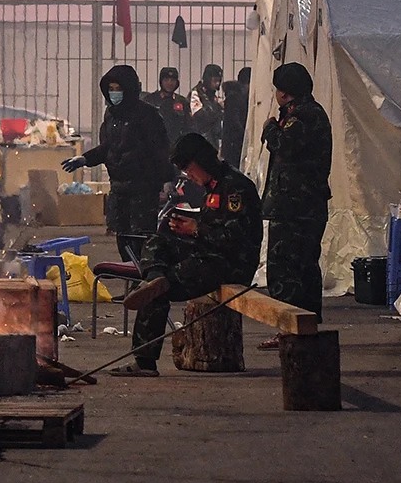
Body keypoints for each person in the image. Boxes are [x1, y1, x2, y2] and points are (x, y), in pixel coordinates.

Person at [112, 133, 264, 377]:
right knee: (158, 242)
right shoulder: (211, 187)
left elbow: (236, 241)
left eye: (189, 168)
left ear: (201, 161)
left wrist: (196, 229)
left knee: (163, 288)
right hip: (209, 253)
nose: (189, 176)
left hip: (231, 265)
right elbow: (212, 228)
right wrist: (188, 227)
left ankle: (145, 361)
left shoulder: (235, 188)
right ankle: (155, 277)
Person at [61, 64, 169, 260]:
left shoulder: (148, 115)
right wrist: (86, 158)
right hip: (119, 190)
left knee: (143, 241)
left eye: (118, 89)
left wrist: (163, 181)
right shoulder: (111, 116)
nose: (114, 93)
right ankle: (132, 280)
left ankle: (145, 283)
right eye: (111, 89)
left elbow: (160, 151)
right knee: (124, 241)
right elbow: (108, 147)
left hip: (143, 191)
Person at [259, 62, 330, 348]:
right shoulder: (308, 113)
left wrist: (270, 130)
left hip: (295, 207)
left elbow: (286, 146)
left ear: (284, 92)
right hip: (304, 206)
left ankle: (290, 328)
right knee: (304, 267)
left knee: (286, 269)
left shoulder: (303, 116)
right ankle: (306, 326)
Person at [219, 66, 251, 169]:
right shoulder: (235, 98)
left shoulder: (237, 96)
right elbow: (234, 123)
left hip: (233, 145)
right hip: (234, 146)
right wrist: (245, 136)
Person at [148, 66, 191, 142]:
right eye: (166, 80)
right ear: (161, 81)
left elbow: (188, 126)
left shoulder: (182, 102)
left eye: (172, 80)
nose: (169, 83)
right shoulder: (150, 100)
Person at [188, 64, 225, 150]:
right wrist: (219, 108)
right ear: (208, 79)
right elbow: (200, 116)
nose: (217, 83)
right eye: (215, 80)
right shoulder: (196, 93)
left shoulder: (213, 97)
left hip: (213, 142)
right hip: (199, 141)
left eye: (219, 81)